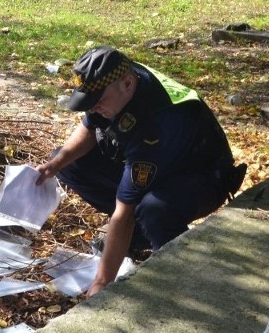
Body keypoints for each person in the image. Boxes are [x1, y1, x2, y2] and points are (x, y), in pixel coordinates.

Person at [36, 46, 246, 298]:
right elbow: (91, 127)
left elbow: (124, 211)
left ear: (126, 84)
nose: (93, 109)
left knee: (153, 209)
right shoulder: (118, 79)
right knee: (66, 161)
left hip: (205, 177)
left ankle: (183, 273)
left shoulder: (155, 126)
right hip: (167, 162)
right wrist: (56, 164)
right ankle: (136, 237)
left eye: (98, 103)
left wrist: (101, 284)